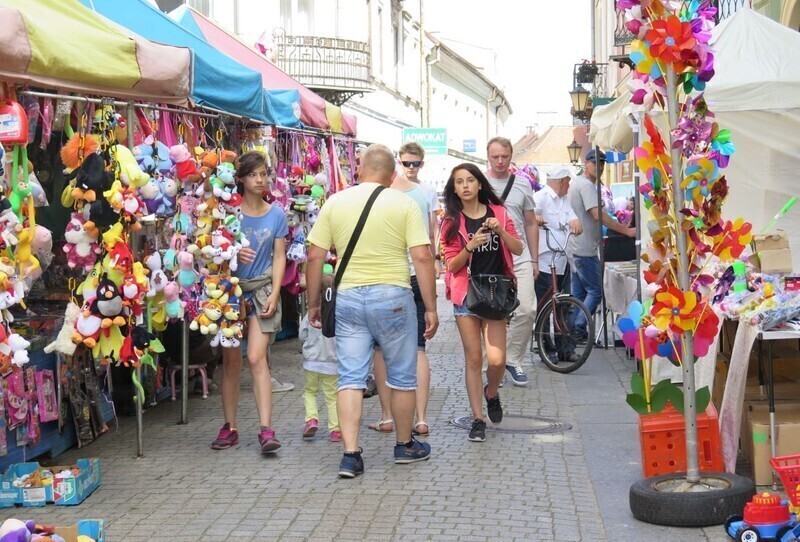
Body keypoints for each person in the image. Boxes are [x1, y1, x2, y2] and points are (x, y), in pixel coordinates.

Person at [306, 144, 439, 478]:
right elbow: (423, 257)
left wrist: (312, 302)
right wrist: (432, 307)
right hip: (393, 297)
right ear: (392, 174)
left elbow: (314, 257)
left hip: (349, 298)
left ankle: (350, 456)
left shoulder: (335, 202)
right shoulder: (404, 203)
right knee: (402, 378)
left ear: (360, 170)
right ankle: (405, 445)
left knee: (350, 377)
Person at [210, 151, 288, 454]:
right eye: (254, 174)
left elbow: (279, 255)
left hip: (261, 291)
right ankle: (229, 427)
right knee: (230, 363)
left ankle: (266, 429)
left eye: (264, 173)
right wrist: (231, 253)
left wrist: (276, 291)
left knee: (256, 357)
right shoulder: (229, 213)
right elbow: (212, 252)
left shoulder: (277, 213)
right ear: (240, 179)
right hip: (229, 293)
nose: (260, 180)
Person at [440, 163, 523, 442]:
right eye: (459, 182)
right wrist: (469, 246)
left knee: (497, 359)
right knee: (474, 357)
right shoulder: (451, 222)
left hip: (496, 294)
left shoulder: (499, 213)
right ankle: (478, 419)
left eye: (470, 180)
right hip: (466, 296)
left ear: (479, 184)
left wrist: (501, 231)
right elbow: (451, 266)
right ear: (454, 188)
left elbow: (518, 248)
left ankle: (492, 392)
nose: (465, 186)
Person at [370, 166, 435, 437]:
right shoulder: (420, 195)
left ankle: (387, 417)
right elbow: (426, 247)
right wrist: (432, 304)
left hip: (385, 280)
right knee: (418, 349)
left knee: (381, 351)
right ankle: (420, 419)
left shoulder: (374, 199)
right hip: (416, 277)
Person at [485, 137, 538, 386]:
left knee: (527, 309)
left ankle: (513, 359)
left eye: (504, 156)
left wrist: (535, 259)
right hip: (489, 257)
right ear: (488, 157)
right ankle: (493, 364)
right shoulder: (478, 182)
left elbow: (530, 222)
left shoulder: (522, 184)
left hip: (519, 254)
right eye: (495, 156)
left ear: (510, 156)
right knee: (492, 313)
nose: (500, 161)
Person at [568, 150, 635, 340]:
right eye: (595, 162)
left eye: (602, 163)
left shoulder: (578, 184)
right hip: (585, 247)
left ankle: (572, 331)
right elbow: (598, 215)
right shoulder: (586, 186)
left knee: (579, 295)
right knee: (595, 291)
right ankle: (578, 327)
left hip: (576, 247)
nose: (599, 166)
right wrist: (627, 230)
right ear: (586, 163)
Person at [533, 165, 583, 361]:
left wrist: (576, 223)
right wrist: (535, 218)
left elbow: (573, 219)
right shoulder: (541, 197)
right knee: (545, 307)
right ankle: (546, 348)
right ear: (561, 181)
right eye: (567, 182)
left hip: (562, 259)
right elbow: (526, 217)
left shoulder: (564, 201)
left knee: (565, 306)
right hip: (545, 261)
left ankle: (566, 350)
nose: (569, 185)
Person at [299, 274, 340, 442]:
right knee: (332, 397)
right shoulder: (337, 314)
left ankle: (311, 419)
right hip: (332, 364)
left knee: (310, 392)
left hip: (311, 362)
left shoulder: (311, 314)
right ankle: (335, 429)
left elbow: (302, 335)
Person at [398, 142, 441, 276]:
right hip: (397, 260)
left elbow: (434, 228)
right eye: (406, 163)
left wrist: (437, 259)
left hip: (423, 259)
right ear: (400, 163)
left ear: (421, 164)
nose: (411, 167)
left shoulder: (428, 190)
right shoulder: (390, 188)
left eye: (415, 163)